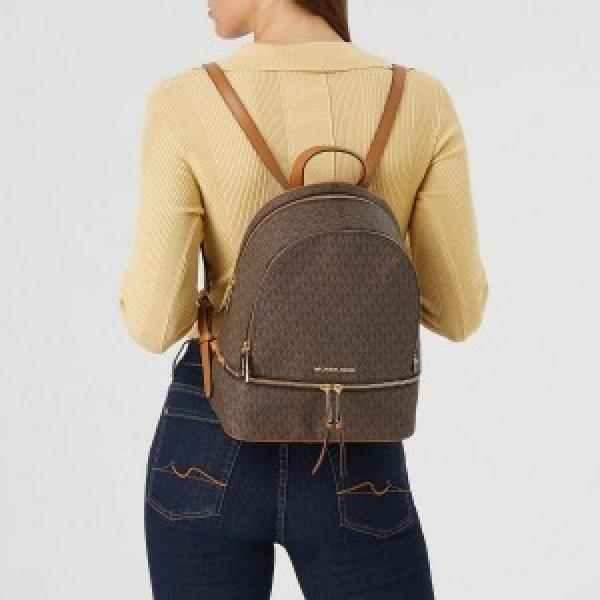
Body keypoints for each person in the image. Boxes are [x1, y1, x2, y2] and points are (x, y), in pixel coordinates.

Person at [118, 1, 488, 597]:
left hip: (211, 429)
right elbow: (460, 311)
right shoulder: (419, 99)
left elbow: (155, 323)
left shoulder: (186, 100)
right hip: (355, 431)